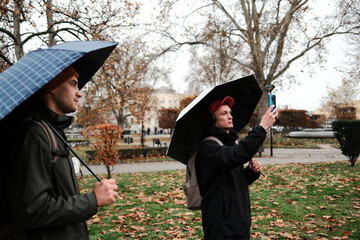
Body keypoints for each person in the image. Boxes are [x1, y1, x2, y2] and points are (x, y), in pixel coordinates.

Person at [3, 66, 118, 239]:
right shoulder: (35, 134)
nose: (79, 93)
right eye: (73, 84)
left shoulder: (53, 130)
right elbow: (32, 209)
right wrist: (92, 200)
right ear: (51, 87)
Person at [195, 96, 278, 239]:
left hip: (238, 217)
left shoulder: (230, 144)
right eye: (224, 113)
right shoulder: (208, 147)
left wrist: (251, 172)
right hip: (221, 222)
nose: (230, 116)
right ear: (212, 120)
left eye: (230, 112)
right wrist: (262, 128)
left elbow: (235, 180)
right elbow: (235, 156)